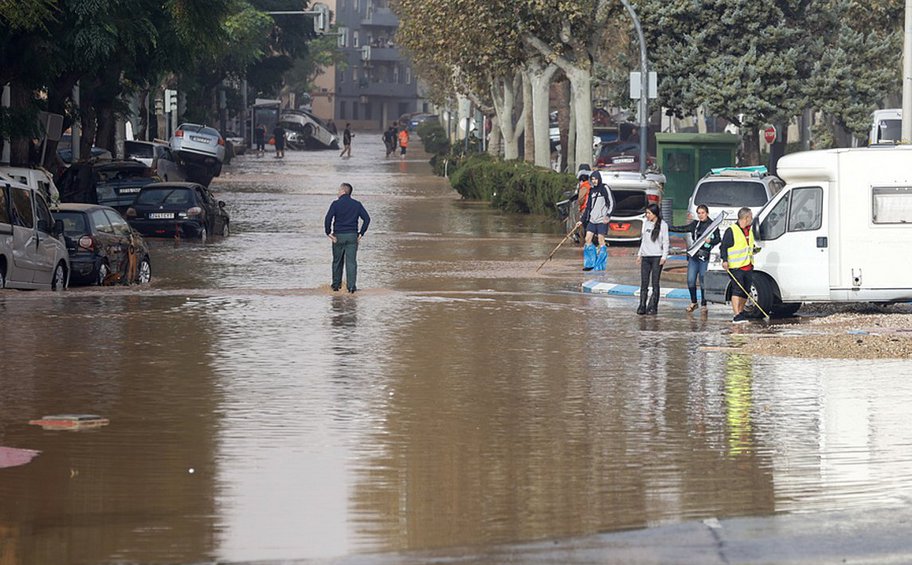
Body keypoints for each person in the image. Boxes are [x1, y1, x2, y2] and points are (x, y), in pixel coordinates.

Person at [670, 204, 721, 312]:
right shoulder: (695, 224)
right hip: (694, 256)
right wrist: (668, 227)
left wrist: (710, 241)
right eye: (699, 213)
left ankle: (704, 303)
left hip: (704, 256)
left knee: (702, 279)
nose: (701, 215)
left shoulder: (712, 225)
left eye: (703, 213)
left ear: (707, 213)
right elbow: (683, 229)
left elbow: (718, 239)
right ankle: (694, 302)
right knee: (690, 280)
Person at [324, 182, 371, 293]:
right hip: (352, 236)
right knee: (351, 263)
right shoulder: (357, 204)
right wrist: (361, 233)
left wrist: (328, 233)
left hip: (338, 236)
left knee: (337, 261)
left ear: (343, 191)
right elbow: (367, 219)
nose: (337, 192)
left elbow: (328, 219)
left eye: (339, 190)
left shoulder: (335, 204)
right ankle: (351, 288)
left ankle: (336, 286)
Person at [720, 207, 755, 323]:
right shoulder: (732, 230)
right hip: (736, 266)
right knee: (737, 289)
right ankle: (736, 314)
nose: (752, 219)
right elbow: (723, 246)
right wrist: (724, 260)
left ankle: (741, 312)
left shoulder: (749, 230)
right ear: (746, 218)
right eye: (750, 217)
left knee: (746, 289)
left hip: (748, 265)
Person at [636, 203, 669, 315]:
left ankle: (653, 306)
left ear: (655, 214)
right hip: (646, 256)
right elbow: (643, 240)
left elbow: (665, 242)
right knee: (644, 282)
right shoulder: (645, 223)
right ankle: (642, 305)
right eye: (646, 213)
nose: (647, 215)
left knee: (655, 282)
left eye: (649, 213)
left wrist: (664, 256)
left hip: (657, 257)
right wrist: (640, 254)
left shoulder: (663, 225)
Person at [576, 170, 613, 271]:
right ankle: (590, 264)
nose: (594, 181)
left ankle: (599, 265)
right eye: (592, 179)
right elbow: (588, 208)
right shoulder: (591, 191)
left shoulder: (605, 188)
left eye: (596, 179)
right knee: (588, 239)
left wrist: (608, 215)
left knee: (601, 241)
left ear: (599, 178)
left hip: (602, 220)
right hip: (592, 220)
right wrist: (582, 220)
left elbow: (611, 202)